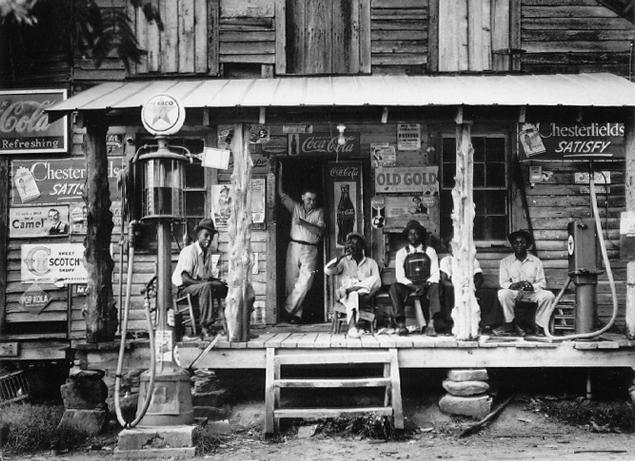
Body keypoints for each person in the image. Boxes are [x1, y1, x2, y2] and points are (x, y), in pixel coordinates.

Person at [278, 162, 326, 323]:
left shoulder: (319, 212)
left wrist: (303, 223)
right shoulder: (296, 207)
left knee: (305, 283)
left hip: (310, 249)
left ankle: (286, 310)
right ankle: (296, 315)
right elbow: (281, 195)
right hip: (293, 246)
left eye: (313, 200)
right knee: (291, 282)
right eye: (308, 199)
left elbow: (319, 231)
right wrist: (279, 171)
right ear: (302, 198)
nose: (311, 203)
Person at [171, 218, 228, 337]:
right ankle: (205, 326)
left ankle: (232, 322)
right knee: (206, 287)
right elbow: (185, 279)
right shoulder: (189, 251)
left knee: (224, 287)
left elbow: (206, 276)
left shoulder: (207, 253)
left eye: (211, 236)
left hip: (198, 287)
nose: (209, 239)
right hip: (184, 289)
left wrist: (217, 281)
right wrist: (202, 282)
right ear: (198, 234)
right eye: (206, 235)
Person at [496, 229, 555, 336]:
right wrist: (514, 285)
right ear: (512, 245)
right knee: (503, 294)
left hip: (531, 294)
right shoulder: (505, 262)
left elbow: (542, 283)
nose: (519, 245)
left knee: (548, 296)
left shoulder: (536, 261)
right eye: (516, 243)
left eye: (522, 243)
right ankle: (510, 324)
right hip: (515, 293)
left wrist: (531, 287)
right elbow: (503, 283)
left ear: (527, 245)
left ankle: (539, 326)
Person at [439, 236, 503, 334]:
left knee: (490, 294)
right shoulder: (447, 261)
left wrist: (470, 288)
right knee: (447, 292)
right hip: (454, 288)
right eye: (452, 247)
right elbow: (444, 280)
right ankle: (450, 324)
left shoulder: (472, 260)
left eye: (458, 246)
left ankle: (488, 324)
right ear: (448, 249)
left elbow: (479, 278)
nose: (455, 249)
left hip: (470, 288)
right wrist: (457, 288)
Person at [324, 232, 381, 338]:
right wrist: (340, 257)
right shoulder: (343, 262)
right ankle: (352, 328)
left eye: (355, 244)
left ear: (362, 247)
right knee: (353, 294)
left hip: (364, 294)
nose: (352, 246)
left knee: (372, 279)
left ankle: (352, 289)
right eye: (350, 244)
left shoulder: (371, 262)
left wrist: (370, 295)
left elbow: (377, 283)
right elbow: (327, 271)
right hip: (345, 295)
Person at [388, 220, 441, 336]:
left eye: (416, 233)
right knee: (394, 288)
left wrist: (426, 284)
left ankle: (431, 325)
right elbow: (400, 277)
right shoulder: (402, 253)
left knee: (436, 287)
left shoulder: (430, 251)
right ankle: (401, 325)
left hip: (426, 284)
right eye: (410, 233)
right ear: (407, 236)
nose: (413, 236)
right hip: (409, 286)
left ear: (421, 235)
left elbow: (435, 274)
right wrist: (413, 286)